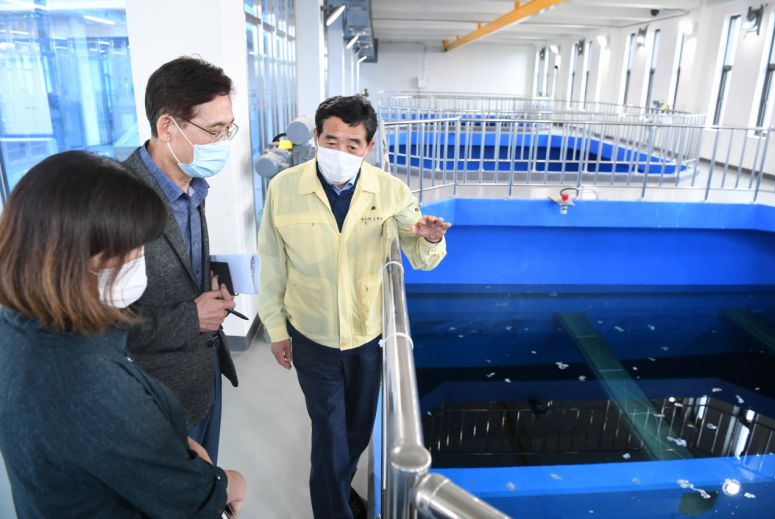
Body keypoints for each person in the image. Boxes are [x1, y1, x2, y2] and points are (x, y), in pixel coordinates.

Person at [0, 151, 246, 518]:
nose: (138, 260)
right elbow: (188, 498)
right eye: (130, 249)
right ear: (72, 255)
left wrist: (161, 441)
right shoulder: (89, 381)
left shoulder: (19, 323)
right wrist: (229, 483)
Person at [258, 95, 451, 519]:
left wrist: (431, 237)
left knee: (357, 431)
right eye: (331, 141)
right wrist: (276, 329)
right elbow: (272, 262)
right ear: (315, 137)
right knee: (329, 434)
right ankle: (334, 510)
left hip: (368, 335)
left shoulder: (391, 191)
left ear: (369, 146)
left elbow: (420, 258)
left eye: (352, 144)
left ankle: (339, 492)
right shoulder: (284, 188)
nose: (340, 152)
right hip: (312, 334)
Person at [123, 57, 239, 464]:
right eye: (213, 131)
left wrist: (211, 293)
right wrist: (192, 317)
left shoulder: (192, 185)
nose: (223, 143)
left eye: (228, 130)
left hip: (203, 377)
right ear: (167, 126)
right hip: (154, 394)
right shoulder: (115, 202)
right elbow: (98, 328)